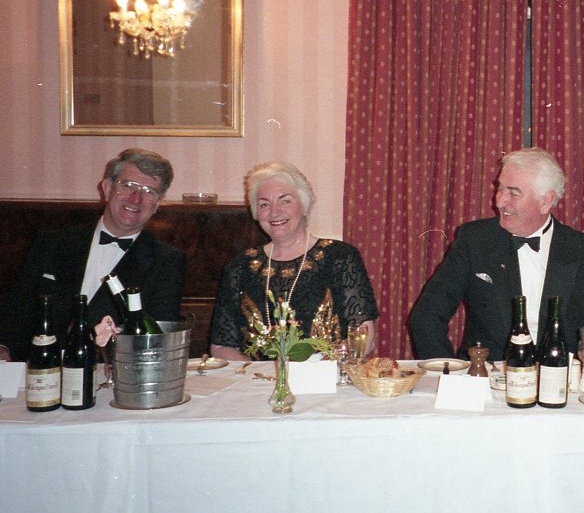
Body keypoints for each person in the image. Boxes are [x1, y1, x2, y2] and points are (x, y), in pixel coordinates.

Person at [409, 147, 584, 361]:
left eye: (513, 193)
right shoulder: (475, 240)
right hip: (486, 374)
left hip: (560, 376)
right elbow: (426, 316)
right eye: (500, 189)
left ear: (546, 201)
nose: (499, 201)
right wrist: (448, 373)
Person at [0, 149, 185, 361]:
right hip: (41, 365)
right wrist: (3, 347)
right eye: (128, 185)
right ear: (107, 188)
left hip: (107, 368)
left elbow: (157, 335)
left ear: (157, 204)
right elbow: (18, 309)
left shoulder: (166, 262)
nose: (136, 198)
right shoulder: (52, 244)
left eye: (149, 191)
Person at [209, 161, 380, 361]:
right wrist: (267, 375)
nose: (274, 212)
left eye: (285, 201)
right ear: (256, 213)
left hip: (326, 376)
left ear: (304, 206)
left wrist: (316, 371)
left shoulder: (340, 257)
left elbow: (364, 335)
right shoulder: (239, 267)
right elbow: (221, 347)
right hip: (258, 379)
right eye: (264, 204)